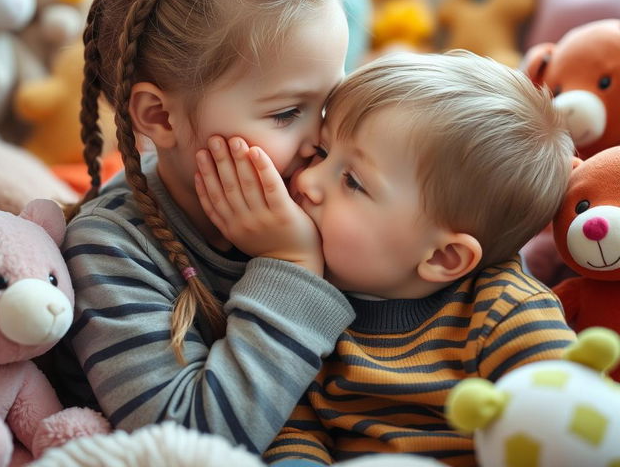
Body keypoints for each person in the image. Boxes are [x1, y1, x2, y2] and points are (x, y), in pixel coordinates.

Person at [53, 0, 356, 454]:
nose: (321, 140)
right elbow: (189, 442)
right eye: (287, 113)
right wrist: (291, 265)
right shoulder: (110, 248)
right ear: (161, 119)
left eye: (329, 102)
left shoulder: (318, 185)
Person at [195, 51, 577, 467]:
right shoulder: (303, 305)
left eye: (353, 181)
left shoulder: (506, 312)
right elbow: (291, 427)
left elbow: (568, 423)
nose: (305, 181)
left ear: (445, 257)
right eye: (322, 153)